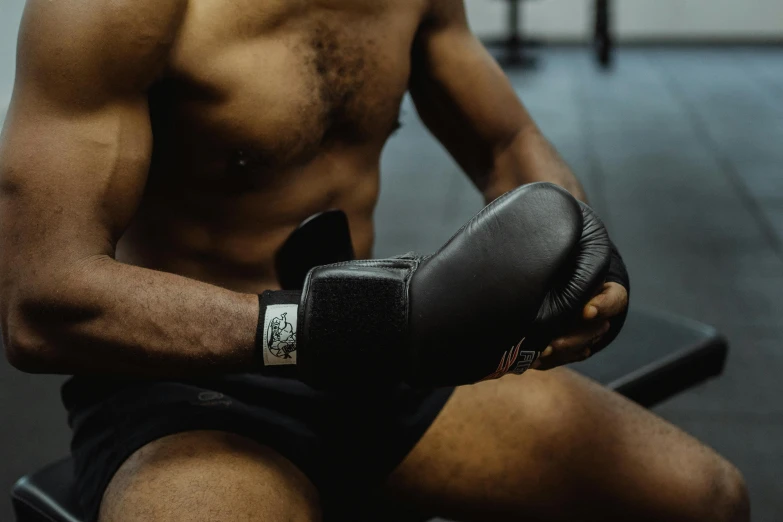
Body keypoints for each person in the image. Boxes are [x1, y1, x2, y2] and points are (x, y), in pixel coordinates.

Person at [0, 0, 748, 521]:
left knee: (704, 497)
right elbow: (41, 301)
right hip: (183, 387)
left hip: (379, 356)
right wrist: (335, 326)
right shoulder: (118, 10)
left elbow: (504, 143)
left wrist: (571, 251)